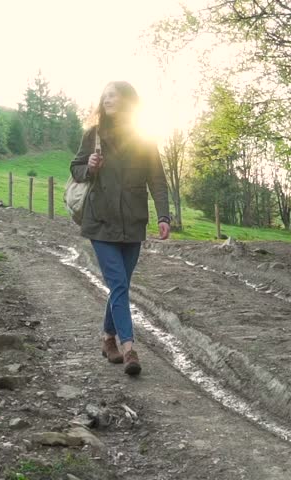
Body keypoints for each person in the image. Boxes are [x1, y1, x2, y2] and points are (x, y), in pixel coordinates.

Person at [70, 81, 171, 376]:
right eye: (104, 95)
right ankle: (129, 348)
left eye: (113, 95)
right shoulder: (94, 135)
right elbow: (75, 169)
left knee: (121, 286)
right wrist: (89, 165)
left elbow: (158, 181)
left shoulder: (144, 139)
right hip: (100, 222)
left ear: (127, 101)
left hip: (134, 224)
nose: (106, 99)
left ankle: (107, 337)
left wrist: (164, 217)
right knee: (119, 285)